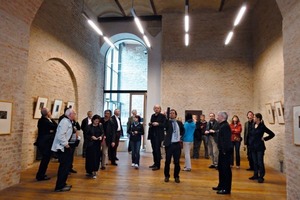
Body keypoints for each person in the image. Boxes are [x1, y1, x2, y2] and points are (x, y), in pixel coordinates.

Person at [51, 108, 76, 192]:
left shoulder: (68, 121)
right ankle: (59, 186)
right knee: (63, 167)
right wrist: (67, 145)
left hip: (65, 146)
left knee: (66, 167)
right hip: (63, 147)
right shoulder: (65, 122)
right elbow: (61, 135)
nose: (75, 115)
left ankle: (63, 183)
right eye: (74, 113)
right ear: (69, 114)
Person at [248, 113, 275, 183]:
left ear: (258, 118)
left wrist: (265, 138)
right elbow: (250, 135)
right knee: (255, 162)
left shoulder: (262, 126)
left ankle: (261, 176)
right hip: (253, 147)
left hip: (260, 147)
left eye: (254, 117)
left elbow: (272, 134)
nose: (253, 118)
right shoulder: (252, 125)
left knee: (260, 162)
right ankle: (255, 174)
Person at [212, 111, 233, 195]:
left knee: (225, 170)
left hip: (225, 151)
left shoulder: (225, 126)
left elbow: (226, 140)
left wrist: (224, 150)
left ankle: (226, 189)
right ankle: (221, 185)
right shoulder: (222, 125)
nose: (217, 117)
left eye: (218, 116)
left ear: (222, 117)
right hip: (222, 151)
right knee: (221, 169)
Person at [35, 108, 57, 181]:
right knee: (45, 159)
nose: (50, 113)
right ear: (47, 113)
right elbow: (55, 126)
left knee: (45, 159)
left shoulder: (41, 120)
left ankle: (41, 174)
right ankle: (40, 175)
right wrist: (51, 119)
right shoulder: (45, 121)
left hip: (44, 141)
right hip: (45, 143)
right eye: (49, 112)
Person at [163, 109, 184, 183]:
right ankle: (166, 176)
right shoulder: (167, 122)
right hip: (169, 145)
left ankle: (176, 176)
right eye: (170, 113)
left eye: (173, 113)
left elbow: (183, 130)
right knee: (167, 161)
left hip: (177, 145)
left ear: (175, 115)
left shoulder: (179, 123)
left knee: (177, 162)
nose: (171, 114)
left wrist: (180, 136)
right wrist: (165, 116)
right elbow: (164, 125)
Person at [148, 105, 166, 171]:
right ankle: (155, 163)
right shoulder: (153, 115)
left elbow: (164, 125)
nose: (156, 109)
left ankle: (158, 165)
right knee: (154, 150)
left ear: (160, 109)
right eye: (155, 108)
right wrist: (150, 123)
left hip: (158, 136)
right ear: (154, 109)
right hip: (152, 135)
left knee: (157, 150)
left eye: (158, 108)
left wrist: (158, 124)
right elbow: (152, 123)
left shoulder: (163, 116)